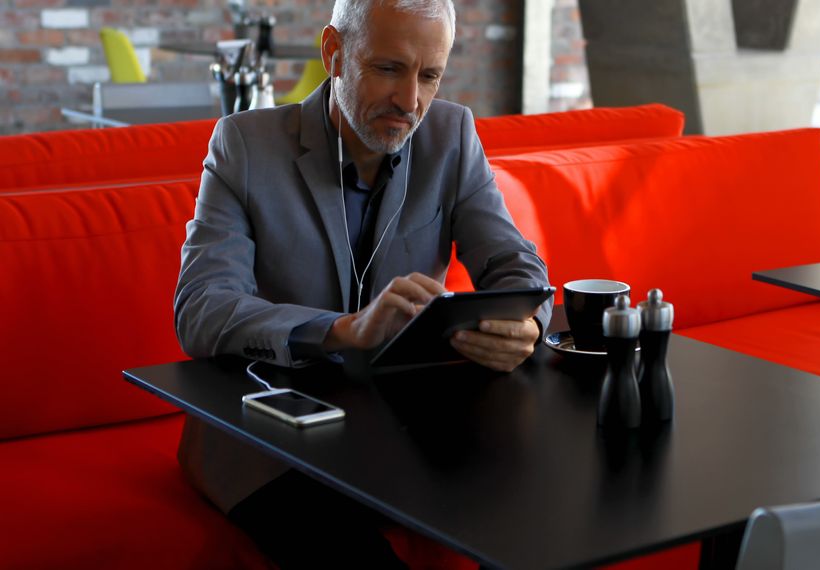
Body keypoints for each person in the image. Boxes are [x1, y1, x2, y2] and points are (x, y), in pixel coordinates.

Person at [173, 0, 551, 565]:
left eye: (429, 75)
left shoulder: (451, 136)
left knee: (534, 516)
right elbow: (201, 308)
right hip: (272, 437)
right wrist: (340, 331)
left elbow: (516, 263)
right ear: (333, 53)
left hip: (407, 425)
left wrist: (526, 323)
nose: (411, 101)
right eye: (389, 69)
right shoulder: (245, 146)